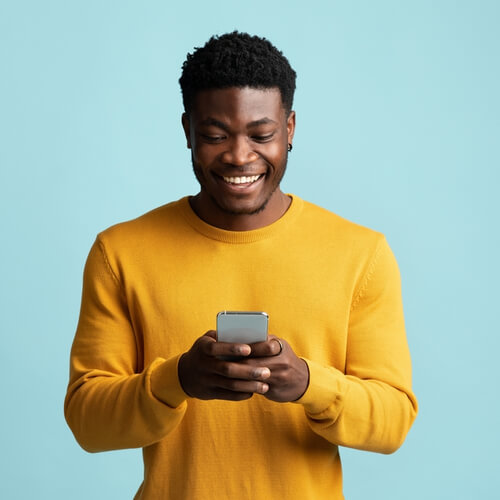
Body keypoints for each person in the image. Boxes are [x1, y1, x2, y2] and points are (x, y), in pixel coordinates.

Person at [64, 32, 418, 499]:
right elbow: (89, 424)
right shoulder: (121, 252)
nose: (239, 155)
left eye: (261, 134)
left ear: (289, 129)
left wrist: (309, 384)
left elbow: (392, 423)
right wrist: (180, 378)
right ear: (187, 130)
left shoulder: (360, 254)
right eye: (214, 135)